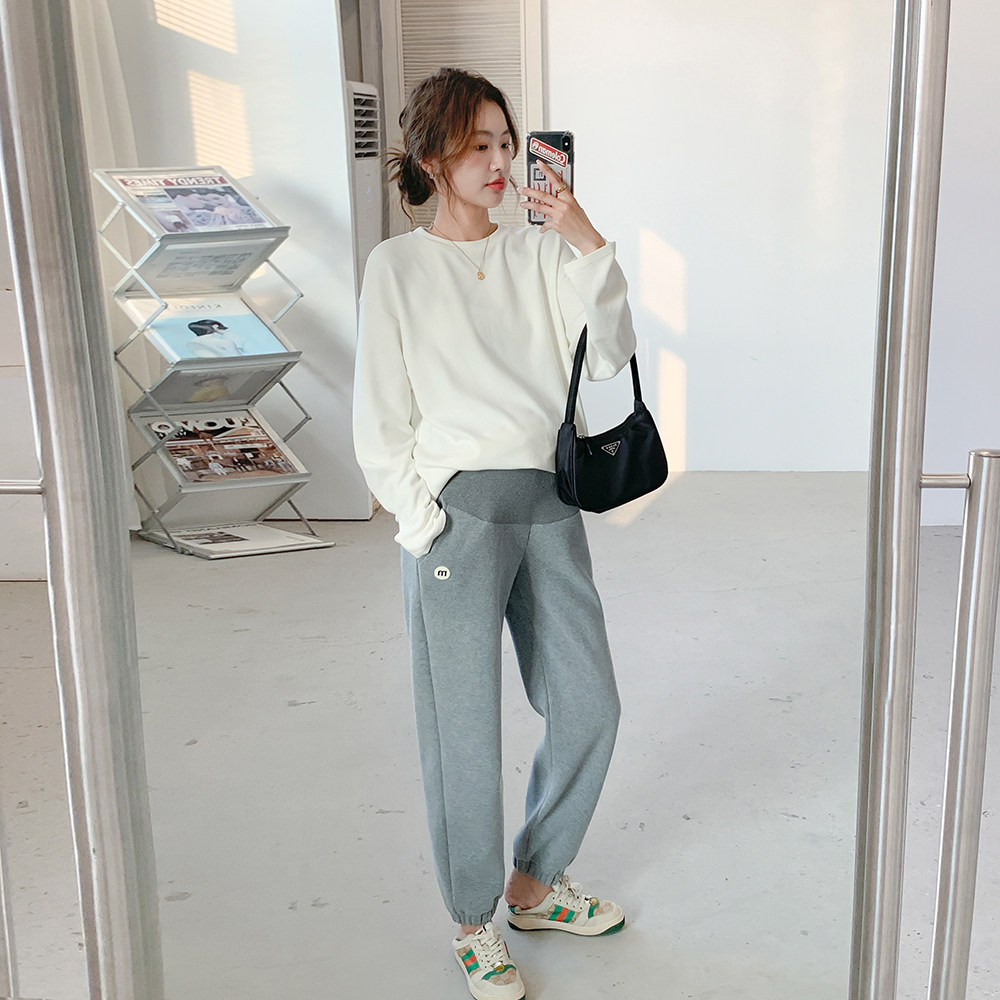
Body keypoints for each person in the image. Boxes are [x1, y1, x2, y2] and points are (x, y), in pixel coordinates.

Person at [353, 67, 635, 1000]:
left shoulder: (544, 254)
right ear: (433, 155)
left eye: (507, 143)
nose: (501, 161)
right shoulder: (397, 267)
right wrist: (421, 519)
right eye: (479, 144)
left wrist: (581, 233)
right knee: (464, 732)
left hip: (550, 504)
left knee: (590, 704)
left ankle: (535, 884)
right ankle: (474, 921)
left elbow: (615, 353)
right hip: (458, 520)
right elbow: (379, 416)